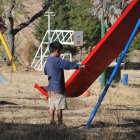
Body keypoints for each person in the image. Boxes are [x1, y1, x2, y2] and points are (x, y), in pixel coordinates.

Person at [44, 41, 85, 126]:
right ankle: (60, 124)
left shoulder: (48, 61)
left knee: (52, 107)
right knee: (59, 107)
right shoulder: (57, 61)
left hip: (50, 88)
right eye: (60, 51)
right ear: (57, 51)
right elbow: (67, 64)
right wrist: (78, 66)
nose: (60, 53)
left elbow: (45, 71)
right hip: (58, 88)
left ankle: (51, 122)